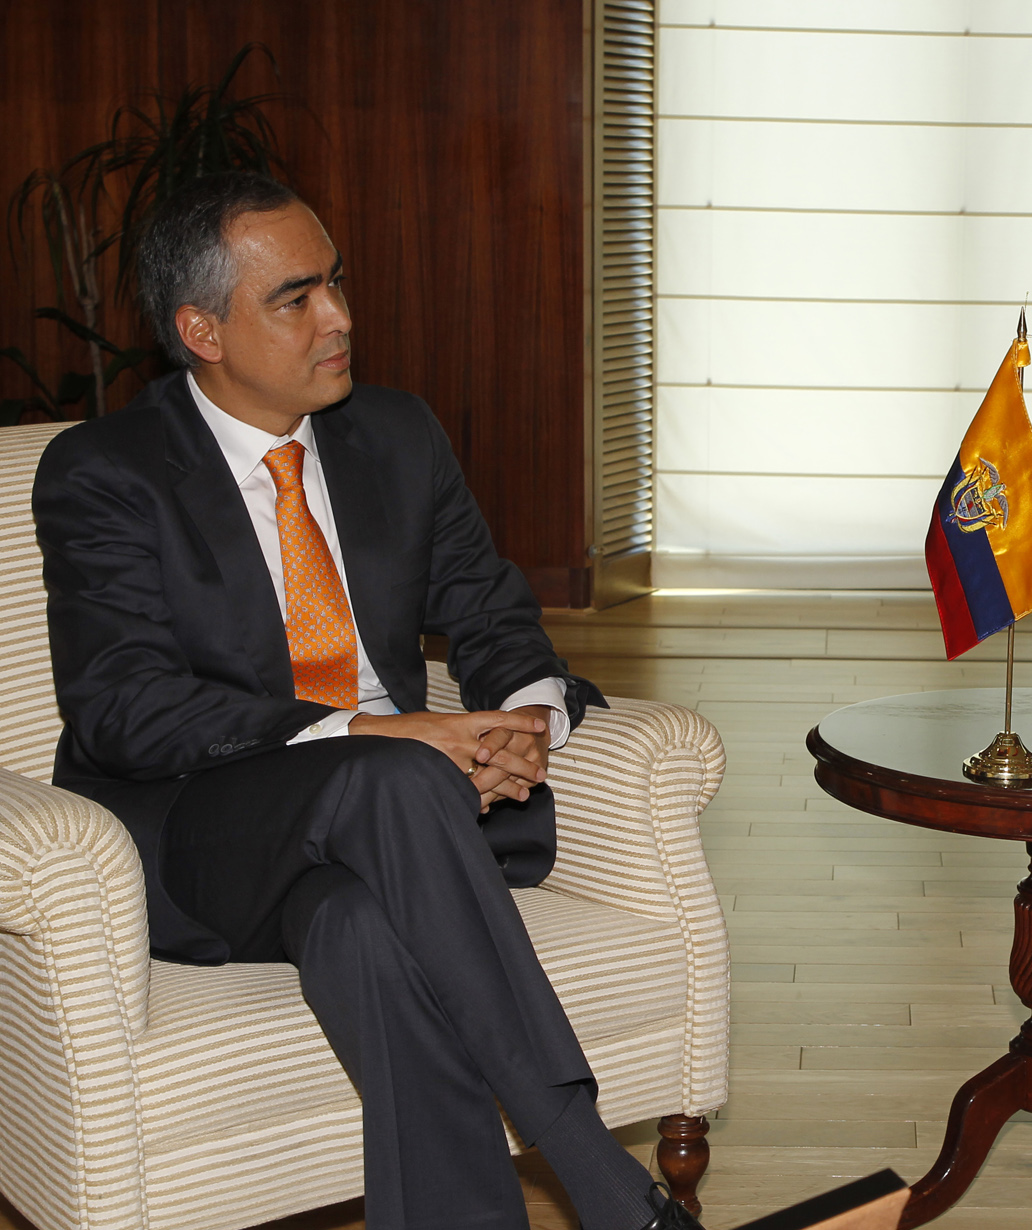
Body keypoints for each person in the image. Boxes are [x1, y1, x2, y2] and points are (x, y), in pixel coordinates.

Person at [33, 172, 697, 1230]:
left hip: (393, 834)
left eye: (334, 282)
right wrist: (379, 735)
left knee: (354, 926)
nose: (339, 316)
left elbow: (490, 611)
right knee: (388, 776)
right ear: (202, 330)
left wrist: (525, 721)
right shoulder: (106, 470)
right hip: (205, 832)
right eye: (295, 299)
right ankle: (608, 1185)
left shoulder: (395, 434)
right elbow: (123, 706)